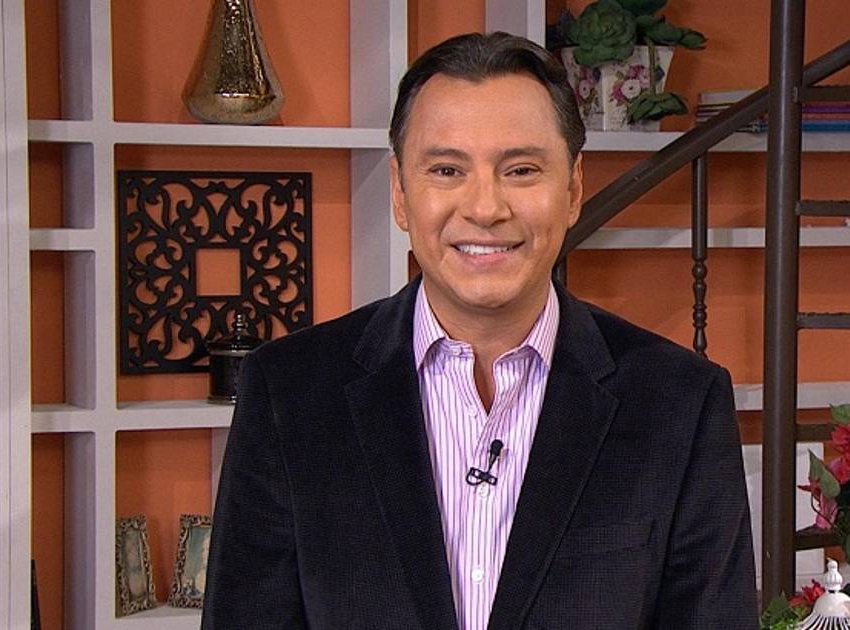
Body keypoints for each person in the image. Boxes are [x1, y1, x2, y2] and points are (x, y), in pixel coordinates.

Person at [202, 31, 757, 630]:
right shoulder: (288, 393)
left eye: (521, 170)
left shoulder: (680, 402)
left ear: (573, 190)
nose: (486, 208)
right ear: (399, 192)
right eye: (447, 169)